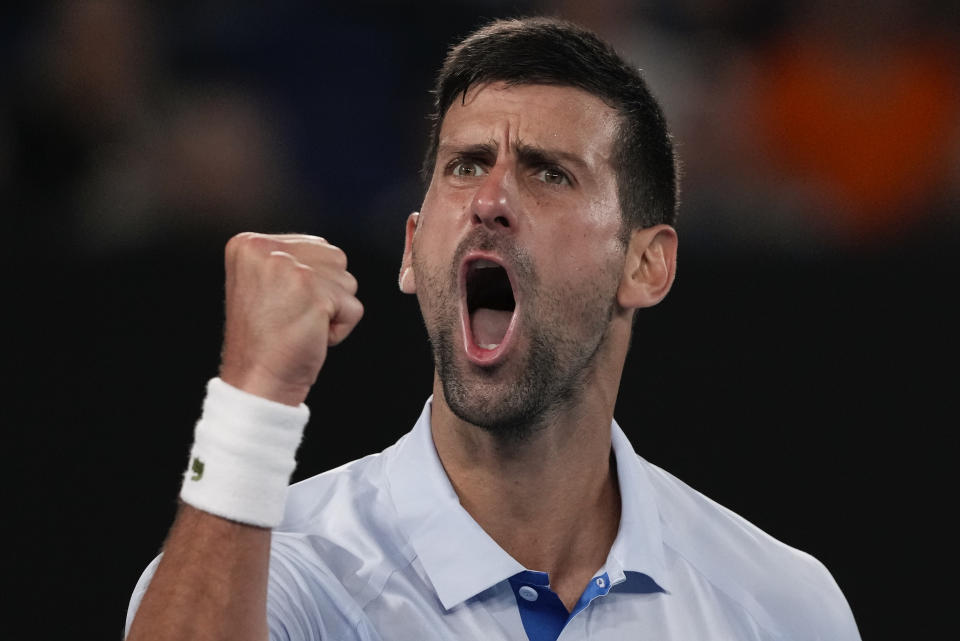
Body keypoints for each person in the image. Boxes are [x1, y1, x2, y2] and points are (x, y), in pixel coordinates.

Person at [124, 17, 861, 641]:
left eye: (548, 173)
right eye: (466, 164)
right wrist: (254, 399)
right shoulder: (276, 567)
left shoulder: (781, 606)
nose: (491, 200)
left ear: (645, 264)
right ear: (413, 248)